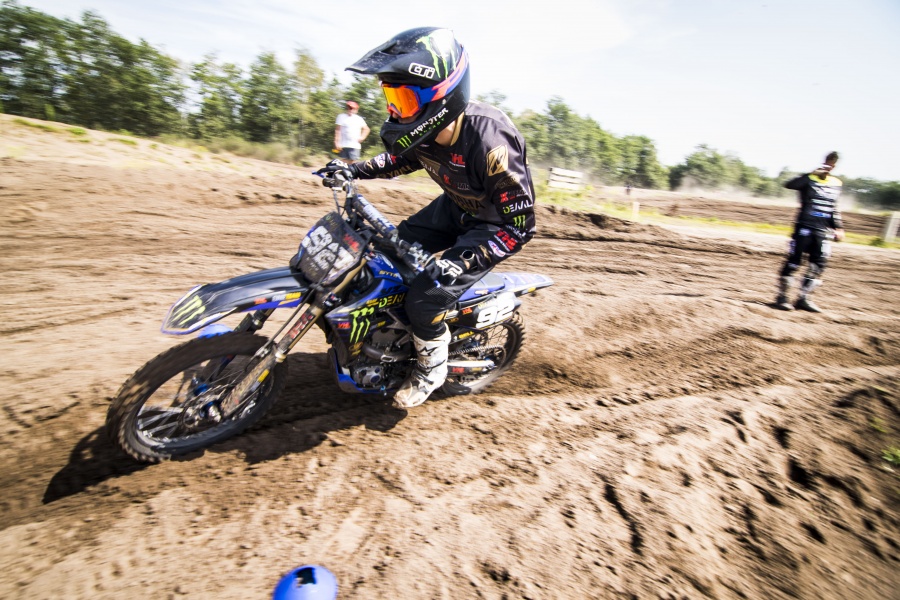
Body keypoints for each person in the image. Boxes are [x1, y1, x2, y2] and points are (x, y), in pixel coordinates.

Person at [318, 27, 536, 409]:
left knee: (426, 297)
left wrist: (459, 264)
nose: (394, 111)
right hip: (454, 206)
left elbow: (520, 225)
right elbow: (398, 160)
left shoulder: (490, 142)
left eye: (404, 99)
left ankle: (430, 370)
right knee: (386, 255)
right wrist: (353, 170)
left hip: (492, 225)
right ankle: (387, 339)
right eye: (392, 99)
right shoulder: (427, 131)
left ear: (442, 95)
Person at [775, 151, 844, 312]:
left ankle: (804, 298)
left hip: (822, 231)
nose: (829, 166)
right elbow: (789, 185)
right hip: (804, 227)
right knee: (794, 261)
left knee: (818, 265)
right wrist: (810, 174)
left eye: (832, 164)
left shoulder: (836, 183)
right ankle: (782, 297)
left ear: (834, 166)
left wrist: (838, 227)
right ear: (823, 162)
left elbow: (833, 207)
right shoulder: (809, 179)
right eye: (827, 162)